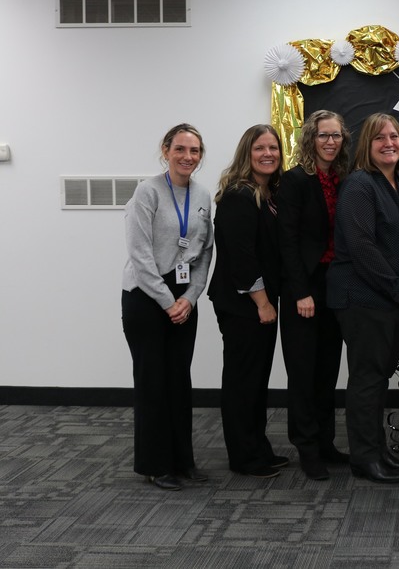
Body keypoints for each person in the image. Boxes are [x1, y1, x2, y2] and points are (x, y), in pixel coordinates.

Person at [328, 113, 399, 485]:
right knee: (367, 379)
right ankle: (364, 458)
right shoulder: (359, 185)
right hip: (362, 298)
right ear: (367, 145)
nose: (389, 143)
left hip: (388, 299)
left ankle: (377, 450)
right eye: (379, 137)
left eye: (395, 137)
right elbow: (362, 247)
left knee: (377, 378)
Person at [121, 123, 213, 491]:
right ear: (166, 150)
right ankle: (154, 464)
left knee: (179, 381)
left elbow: (205, 251)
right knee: (152, 382)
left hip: (183, 298)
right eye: (180, 149)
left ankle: (182, 460)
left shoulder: (204, 195)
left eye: (194, 151)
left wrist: (190, 298)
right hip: (146, 296)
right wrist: (167, 301)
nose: (187, 157)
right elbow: (140, 255)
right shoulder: (147, 192)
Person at [276, 110, 352, 481]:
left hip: (334, 284)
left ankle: (325, 441)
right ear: (311, 139)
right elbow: (286, 242)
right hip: (303, 288)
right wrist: (300, 292)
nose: (330, 142)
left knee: (327, 370)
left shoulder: (344, 179)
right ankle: (306, 447)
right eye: (323, 135)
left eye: (336, 135)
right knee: (303, 371)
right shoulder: (295, 181)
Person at [209, 124, 285, 479]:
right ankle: (244, 456)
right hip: (244, 304)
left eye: (273, 147)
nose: (268, 153)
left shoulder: (267, 193)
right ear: (247, 153)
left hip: (260, 302)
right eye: (260, 148)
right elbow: (242, 259)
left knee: (256, 381)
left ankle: (258, 448)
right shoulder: (239, 195)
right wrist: (263, 303)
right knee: (242, 382)